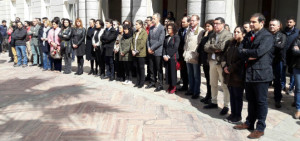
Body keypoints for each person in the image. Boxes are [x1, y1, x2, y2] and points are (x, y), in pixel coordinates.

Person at [234, 13, 274, 139]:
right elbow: (239, 50)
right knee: (251, 100)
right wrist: (247, 53)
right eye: (250, 22)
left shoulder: (267, 36)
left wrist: (247, 52)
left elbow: (259, 52)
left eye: (254, 22)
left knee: (261, 102)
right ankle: (249, 122)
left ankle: (260, 127)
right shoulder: (249, 35)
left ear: (262, 23)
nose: (251, 24)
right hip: (249, 73)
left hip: (261, 74)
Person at [204, 17, 232, 115]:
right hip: (212, 61)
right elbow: (205, 47)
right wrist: (213, 48)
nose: (215, 25)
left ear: (223, 24)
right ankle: (214, 102)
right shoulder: (212, 34)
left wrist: (212, 48)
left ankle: (226, 105)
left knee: (224, 85)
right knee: (213, 83)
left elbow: (222, 47)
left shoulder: (227, 35)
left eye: (217, 23)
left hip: (221, 63)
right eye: (214, 23)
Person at [223, 26, 246, 123]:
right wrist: (224, 66)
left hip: (238, 75)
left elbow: (242, 60)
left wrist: (231, 68)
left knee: (237, 96)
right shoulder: (231, 43)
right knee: (232, 95)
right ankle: (233, 113)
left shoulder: (244, 44)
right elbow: (225, 55)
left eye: (238, 32)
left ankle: (238, 115)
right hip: (229, 74)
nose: (235, 33)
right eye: (234, 31)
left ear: (243, 34)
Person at [183, 15, 204, 99]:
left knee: (196, 75)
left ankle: (196, 91)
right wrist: (185, 51)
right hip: (188, 55)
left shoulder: (201, 31)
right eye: (191, 20)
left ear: (198, 21)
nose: (191, 22)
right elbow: (186, 41)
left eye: (193, 20)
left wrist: (197, 54)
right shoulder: (189, 30)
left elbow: (200, 44)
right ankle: (190, 89)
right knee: (190, 74)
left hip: (195, 56)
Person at [269, 19, 287, 108]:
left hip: (277, 61)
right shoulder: (267, 35)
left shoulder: (282, 35)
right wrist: (275, 43)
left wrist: (271, 44)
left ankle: (277, 99)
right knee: (266, 80)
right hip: (267, 61)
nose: (271, 26)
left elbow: (281, 46)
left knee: (277, 81)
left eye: (273, 25)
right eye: (270, 25)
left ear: (279, 26)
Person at [146, 13, 166, 92]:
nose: (152, 20)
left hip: (157, 51)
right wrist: (148, 48)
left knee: (158, 68)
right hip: (150, 51)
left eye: (154, 19)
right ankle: (152, 81)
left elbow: (161, 41)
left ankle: (160, 84)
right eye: (152, 18)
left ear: (158, 19)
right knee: (151, 67)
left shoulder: (162, 28)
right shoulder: (151, 28)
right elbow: (148, 39)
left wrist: (152, 48)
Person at [198, 20, 214, 104]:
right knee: (208, 79)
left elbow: (204, 45)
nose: (207, 28)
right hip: (205, 60)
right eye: (206, 26)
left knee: (210, 80)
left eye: (209, 26)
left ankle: (210, 96)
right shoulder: (206, 34)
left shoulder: (211, 35)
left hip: (209, 60)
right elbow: (200, 46)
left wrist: (205, 37)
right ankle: (208, 95)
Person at [284, 17, 299, 96]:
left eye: (290, 22)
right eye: (287, 22)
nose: (288, 23)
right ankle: (283, 85)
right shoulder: (283, 31)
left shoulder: (297, 32)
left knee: (293, 72)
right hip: (284, 54)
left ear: (294, 23)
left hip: (293, 55)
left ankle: (291, 88)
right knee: (283, 70)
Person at [163, 23, 180, 94]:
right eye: (168, 28)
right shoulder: (167, 37)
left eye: (170, 28)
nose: (168, 30)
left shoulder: (176, 37)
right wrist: (164, 55)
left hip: (173, 57)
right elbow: (164, 47)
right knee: (168, 72)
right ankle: (169, 85)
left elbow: (175, 48)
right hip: (166, 57)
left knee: (173, 72)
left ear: (174, 29)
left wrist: (168, 56)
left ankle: (174, 87)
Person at [131, 20, 148, 88]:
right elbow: (132, 42)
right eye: (135, 24)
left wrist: (136, 50)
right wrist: (132, 49)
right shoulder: (135, 32)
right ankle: (137, 81)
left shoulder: (144, 32)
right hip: (134, 53)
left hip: (141, 53)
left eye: (137, 24)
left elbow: (142, 43)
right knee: (137, 67)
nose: (136, 25)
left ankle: (142, 82)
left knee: (141, 68)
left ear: (141, 25)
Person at [177, 16, 190, 91]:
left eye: (184, 22)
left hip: (189, 53)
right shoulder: (180, 30)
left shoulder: (191, 30)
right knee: (183, 70)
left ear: (188, 22)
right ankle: (184, 85)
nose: (182, 23)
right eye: (182, 22)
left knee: (189, 71)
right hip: (181, 53)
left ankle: (190, 86)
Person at [291, 34, 300, 119]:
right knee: (298, 89)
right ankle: (298, 109)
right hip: (298, 67)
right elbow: (295, 52)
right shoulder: (296, 39)